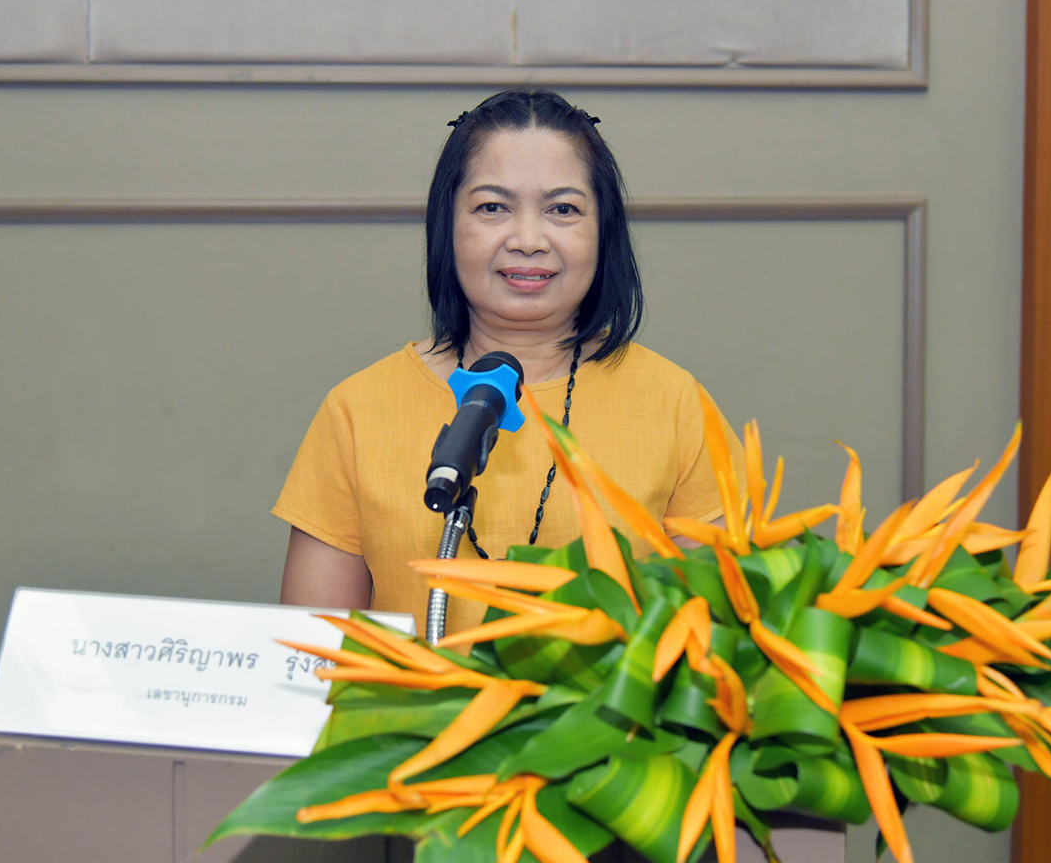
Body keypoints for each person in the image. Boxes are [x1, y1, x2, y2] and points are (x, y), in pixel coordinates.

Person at [275, 87, 744, 636]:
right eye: (492, 207)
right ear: (447, 225)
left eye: (563, 209)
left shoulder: (675, 403)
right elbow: (315, 655)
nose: (527, 240)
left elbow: (724, 639)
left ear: (604, 231)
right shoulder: (357, 410)